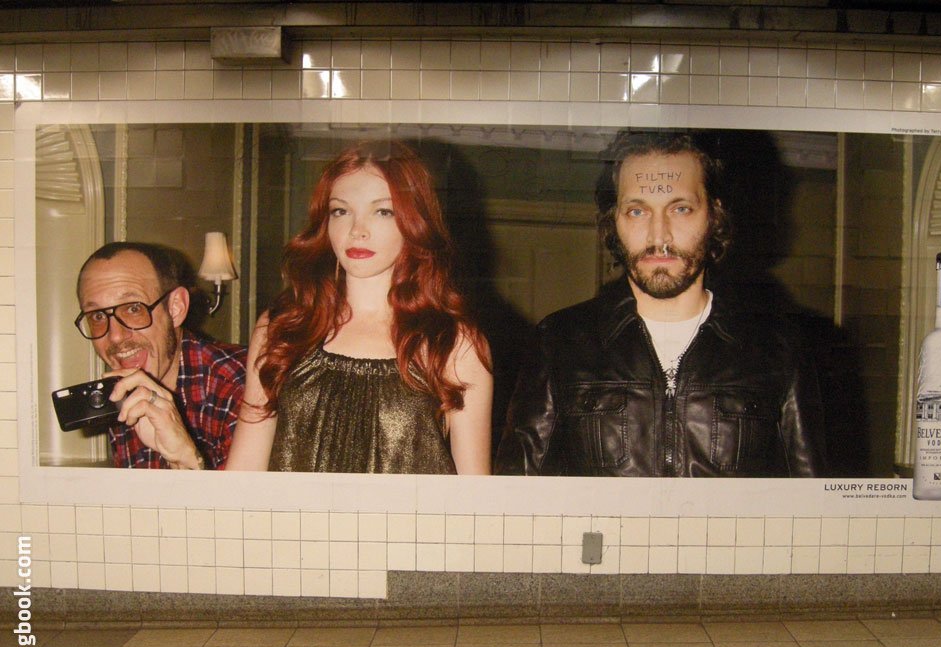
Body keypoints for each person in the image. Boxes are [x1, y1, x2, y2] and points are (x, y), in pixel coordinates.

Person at [495, 129, 826, 477]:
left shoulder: (778, 346)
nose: (659, 236)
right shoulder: (559, 341)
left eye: (680, 209)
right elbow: (516, 492)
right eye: (638, 211)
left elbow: (812, 498)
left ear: (714, 216)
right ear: (614, 221)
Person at [226, 140, 492, 474]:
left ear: (414, 220)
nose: (357, 231)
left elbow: (473, 494)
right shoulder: (283, 326)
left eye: (383, 211)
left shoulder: (454, 343)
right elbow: (244, 473)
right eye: (341, 211)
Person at [75, 242, 247, 469]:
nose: (115, 336)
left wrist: (186, 458)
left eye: (134, 309)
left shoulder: (241, 387)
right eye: (97, 316)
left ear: (176, 308)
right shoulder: (122, 392)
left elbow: (246, 493)